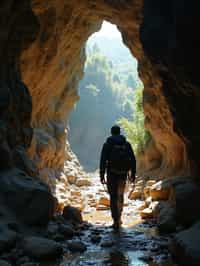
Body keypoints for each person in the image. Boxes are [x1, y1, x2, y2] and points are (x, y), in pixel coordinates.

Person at [100, 125, 136, 229]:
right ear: (120, 132)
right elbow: (133, 159)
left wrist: (102, 175)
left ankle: (115, 220)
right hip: (123, 174)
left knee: (113, 196)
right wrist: (133, 174)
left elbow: (103, 160)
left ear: (111, 133)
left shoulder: (107, 144)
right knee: (120, 195)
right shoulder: (126, 144)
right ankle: (119, 217)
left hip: (111, 173)